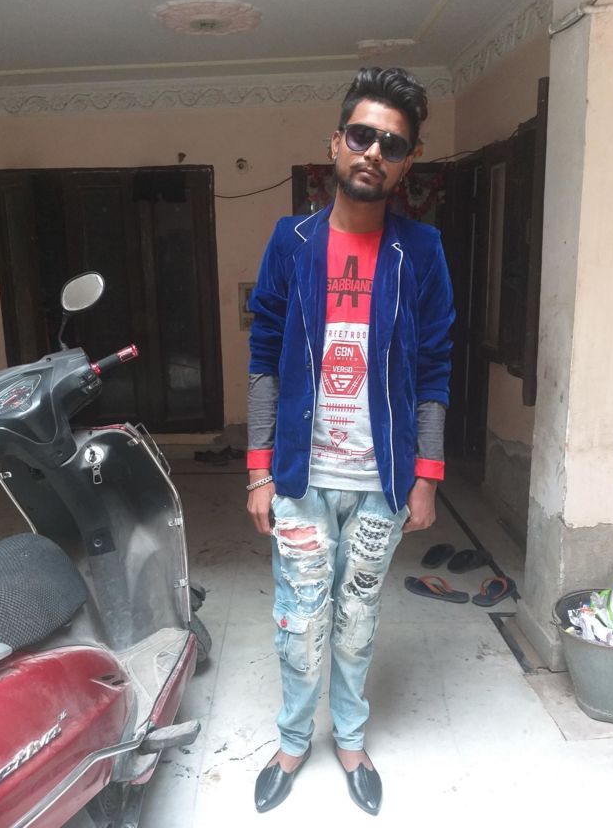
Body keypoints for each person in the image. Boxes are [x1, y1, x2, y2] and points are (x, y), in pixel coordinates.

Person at [246, 66, 454, 816]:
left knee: (357, 620)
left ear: (407, 161)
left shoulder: (420, 251)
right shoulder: (292, 241)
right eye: (362, 135)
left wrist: (426, 474)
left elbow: (434, 365)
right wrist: (258, 471)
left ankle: (352, 739)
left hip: (382, 481)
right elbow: (264, 357)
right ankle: (293, 740)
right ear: (336, 142)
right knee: (301, 620)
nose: (373, 152)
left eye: (391, 144)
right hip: (301, 476)